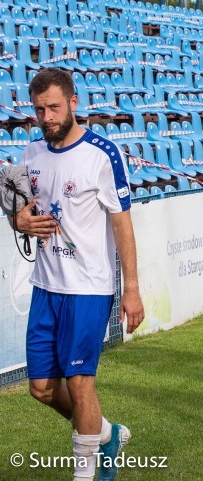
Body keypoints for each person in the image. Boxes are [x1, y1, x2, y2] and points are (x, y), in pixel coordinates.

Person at [12, 68, 144, 481]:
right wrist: (19, 222)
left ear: (73, 102)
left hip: (88, 287)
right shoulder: (31, 155)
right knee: (41, 388)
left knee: (80, 381)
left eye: (53, 107)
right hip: (45, 286)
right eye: (39, 110)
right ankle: (107, 433)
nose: (46, 116)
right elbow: (22, 211)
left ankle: (86, 473)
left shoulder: (102, 154)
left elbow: (122, 223)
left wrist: (132, 288)